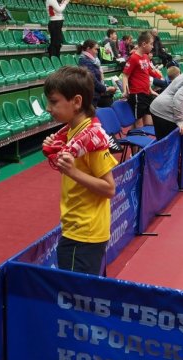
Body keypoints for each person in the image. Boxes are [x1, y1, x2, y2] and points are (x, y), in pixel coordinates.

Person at [41, 66, 118, 275]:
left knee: (75, 298)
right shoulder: (74, 132)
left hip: (84, 234)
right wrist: (56, 150)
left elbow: (109, 188)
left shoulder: (92, 139)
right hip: (76, 227)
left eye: (54, 102)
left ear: (76, 102)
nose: (48, 108)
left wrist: (72, 172)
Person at [121, 31, 162, 127]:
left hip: (146, 93)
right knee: (138, 122)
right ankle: (134, 140)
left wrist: (159, 78)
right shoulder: (133, 58)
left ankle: (138, 138)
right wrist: (125, 90)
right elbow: (125, 75)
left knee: (149, 122)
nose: (152, 46)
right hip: (137, 94)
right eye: (151, 44)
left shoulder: (146, 57)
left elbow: (149, 72)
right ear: (144, 44)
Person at [77, 39, 117, 107]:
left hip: (96, 93)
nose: (97, 52)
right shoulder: (84, 61)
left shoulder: (94, 60)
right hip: (92, 95)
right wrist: (106, 89)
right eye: (95, 49)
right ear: (88, 49)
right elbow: (93, 80)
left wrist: (105, 87)